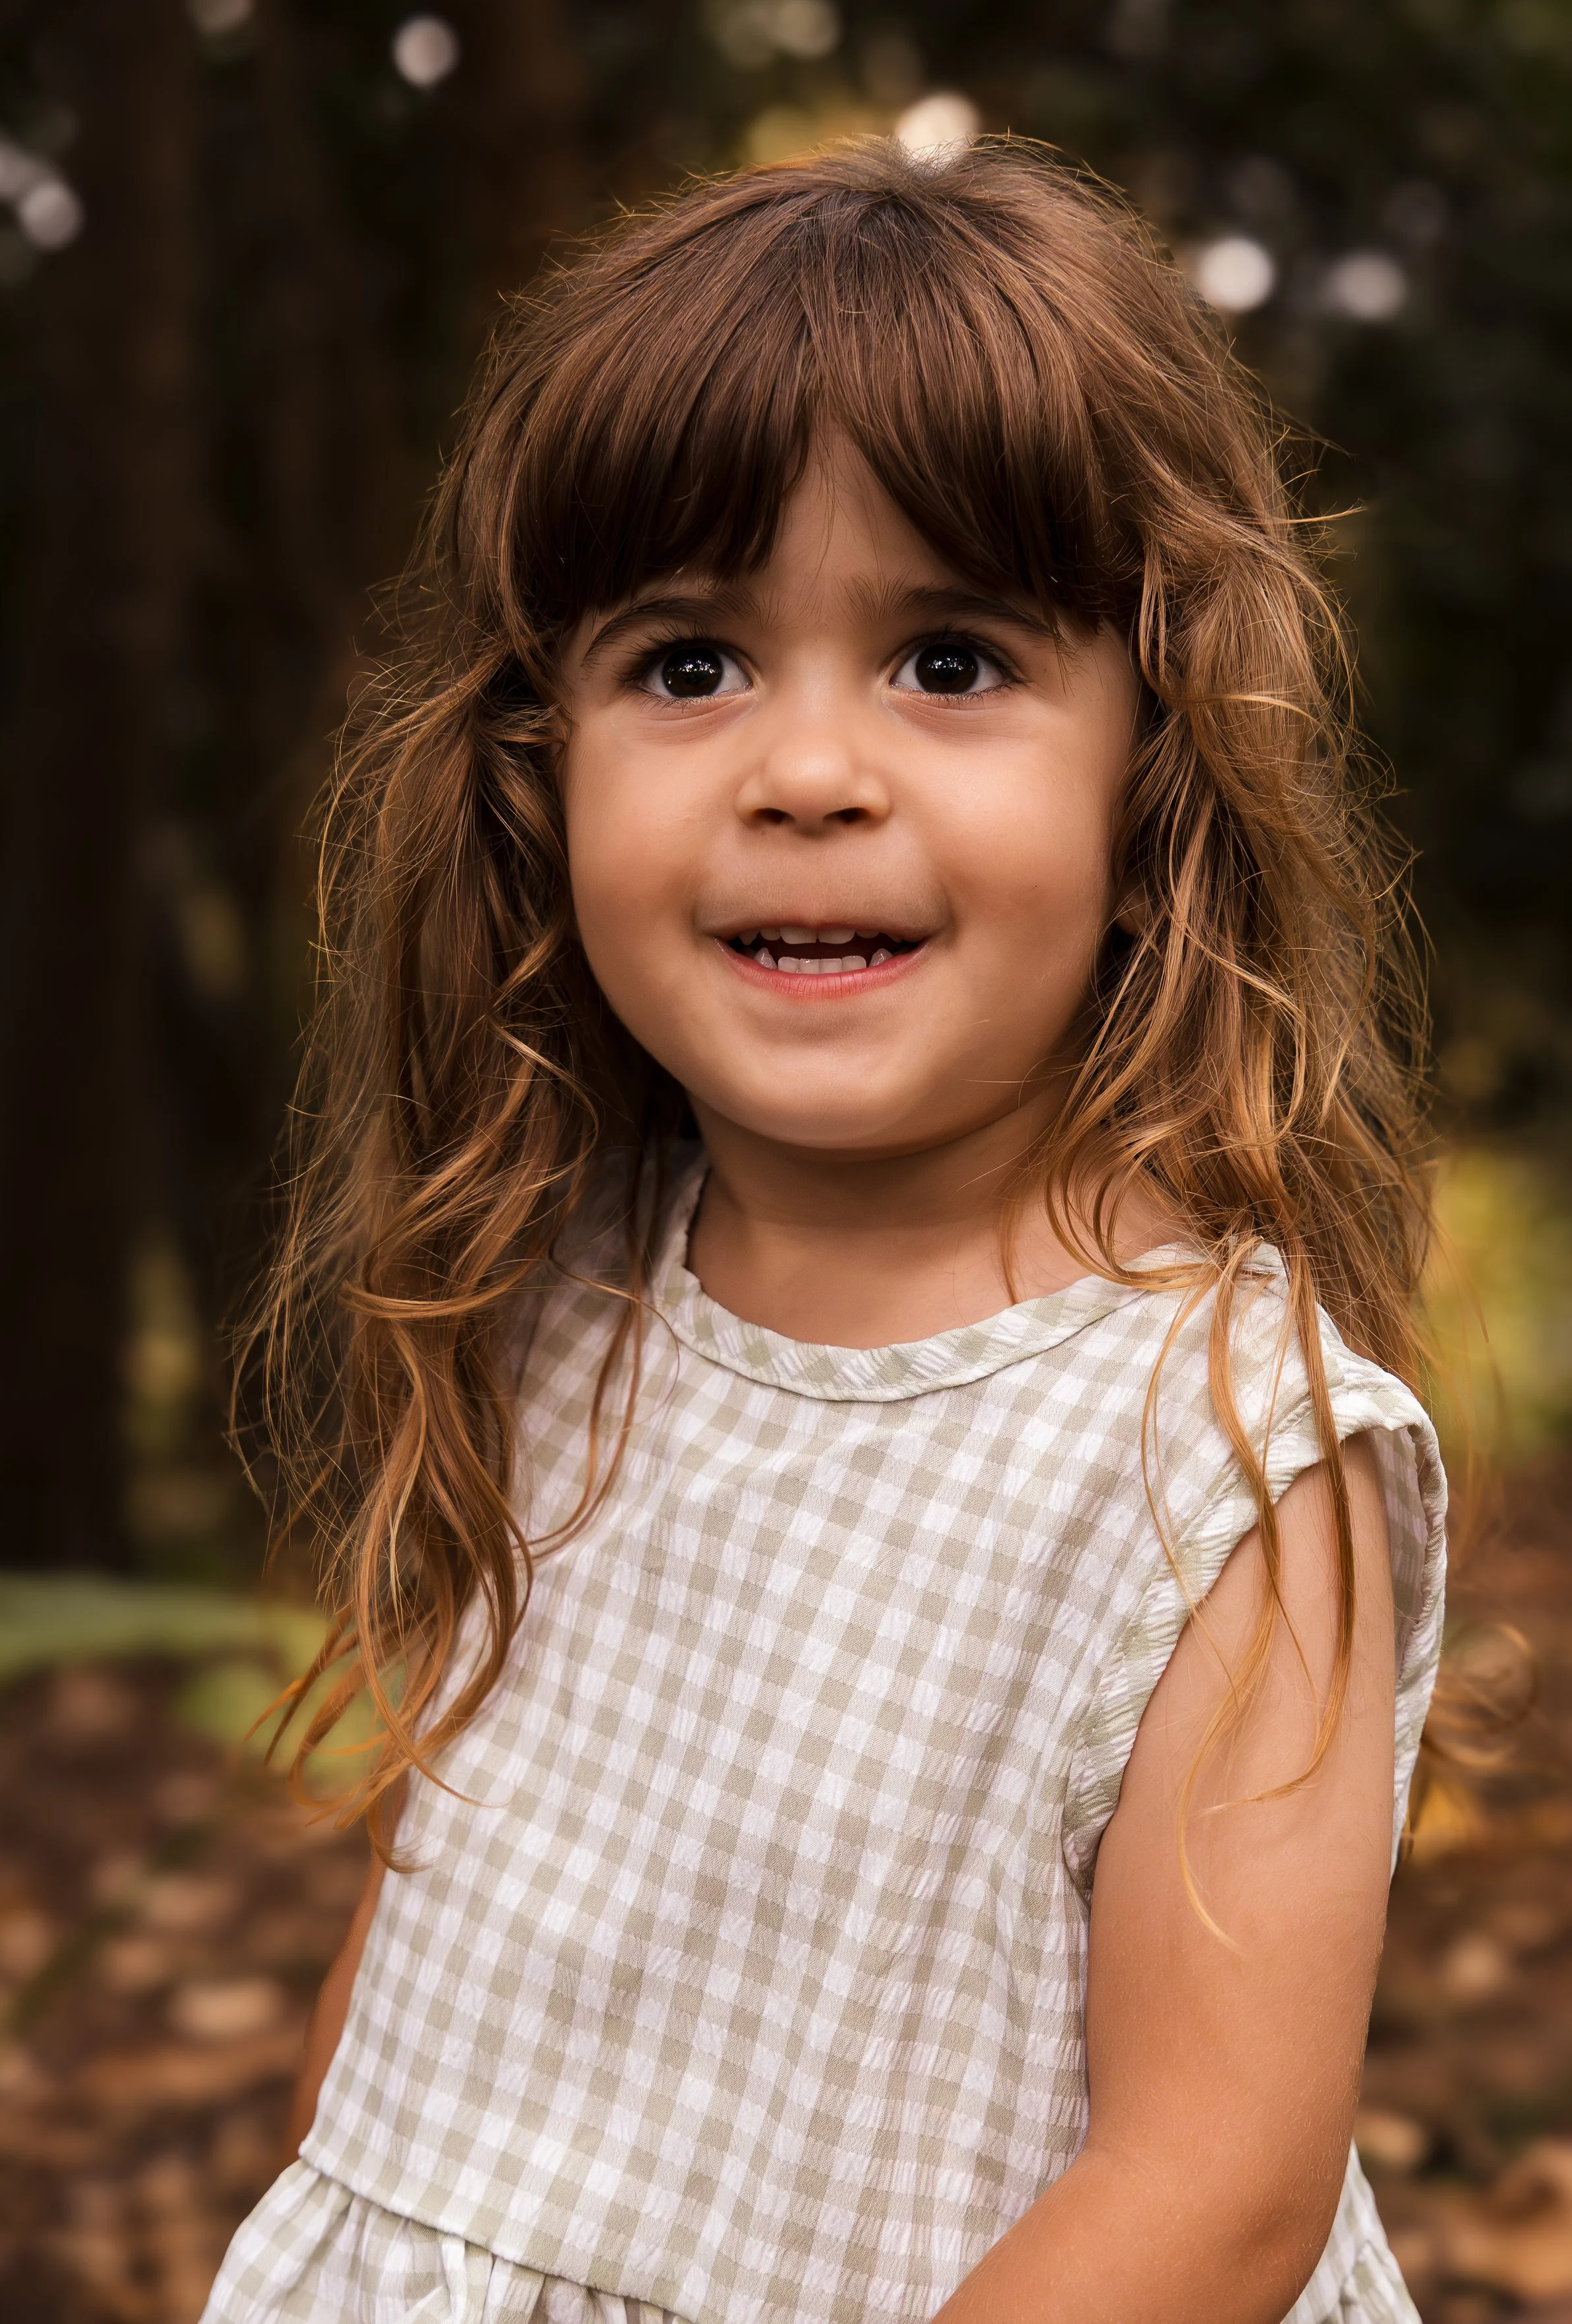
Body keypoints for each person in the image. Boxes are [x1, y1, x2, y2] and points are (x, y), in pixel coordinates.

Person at [203, 140, 1444, 2324]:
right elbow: (436, 1953)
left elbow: (1215, 2186)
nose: (806, 768)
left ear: (1153, 785)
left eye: (947, 660)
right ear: (539, 767)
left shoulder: (1222, 1451)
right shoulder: (565, 1266)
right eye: (686, 665)